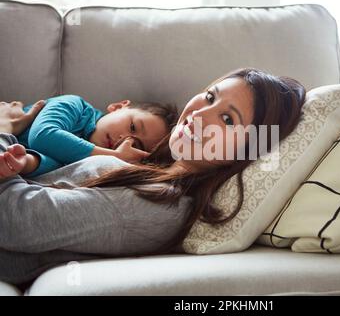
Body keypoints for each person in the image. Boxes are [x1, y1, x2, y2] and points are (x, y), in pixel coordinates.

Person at [0, 67, 306, 287]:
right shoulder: (148, 169)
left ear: (248, 150)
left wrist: (4, 133)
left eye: (227, 119)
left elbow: (16, 221)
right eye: (210, 97)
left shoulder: (159, 206)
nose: (198, 116)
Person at [1, 95, 177, 178]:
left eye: (136, 146)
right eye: (132, 127)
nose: (124, 139)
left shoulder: (92, 165)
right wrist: (116, 155)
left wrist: (26, 162)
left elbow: (53, 169)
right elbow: (43, 137)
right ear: (118, 106)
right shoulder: (74, 105)